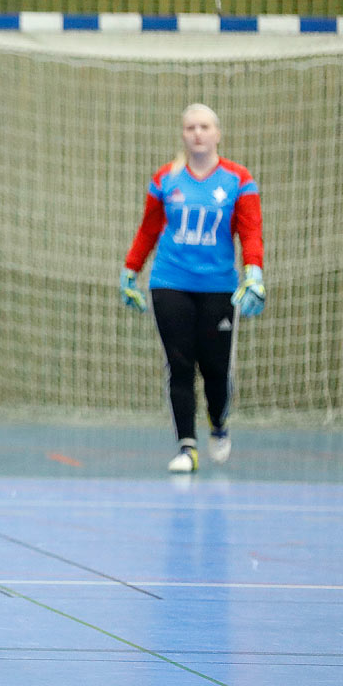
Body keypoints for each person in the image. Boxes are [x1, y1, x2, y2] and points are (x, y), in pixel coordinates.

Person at [120, 103, 265, 473]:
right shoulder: (165, 179)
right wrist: (130, 270)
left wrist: (254, 273)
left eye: (204, 127)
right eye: (190, 128)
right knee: (180, 365)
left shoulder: (238, 178)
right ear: (182, 134)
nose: (197, 133)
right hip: (170, 281)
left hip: (218, 287)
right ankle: (187, 447)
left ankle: (218, 425)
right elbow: (149, 229)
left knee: (215, 368)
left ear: (217, 134)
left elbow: (250, 231)